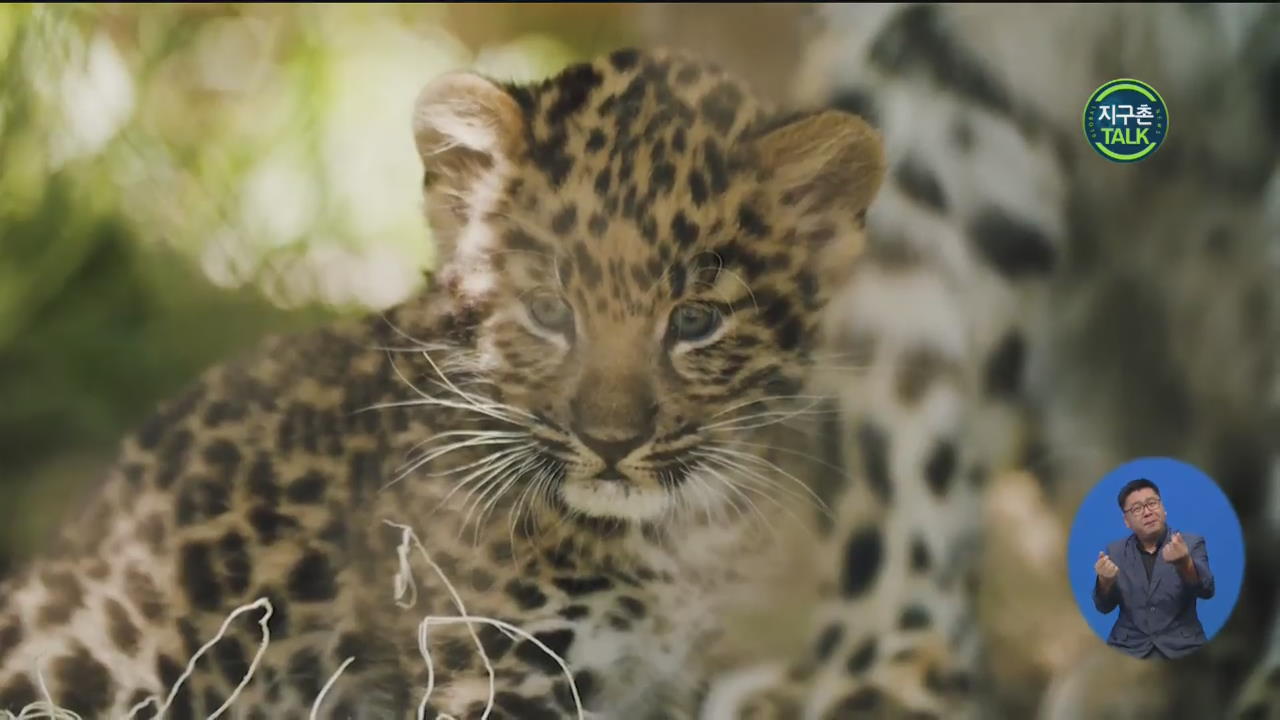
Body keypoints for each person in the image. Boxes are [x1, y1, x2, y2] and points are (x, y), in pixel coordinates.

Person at [1092, 478, 1215, 659]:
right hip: (1128, 648)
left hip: (1182, 647)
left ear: (1163, 508)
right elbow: (1103, 607)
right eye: (1137, 508)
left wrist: (1185, 563)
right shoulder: (1115, 551)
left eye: (1152, 503)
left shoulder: (1190, 543)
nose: (1148, 512)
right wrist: (1105, 582)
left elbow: (1207, 590)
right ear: (1127, 521)